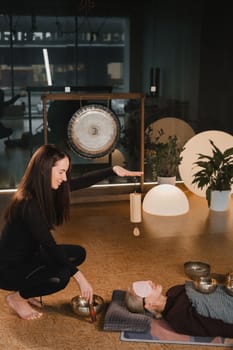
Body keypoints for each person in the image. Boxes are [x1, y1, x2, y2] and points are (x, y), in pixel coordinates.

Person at [0, 144, 143, 320]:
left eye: (66, 172)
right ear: (44, 170)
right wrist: (81, 278)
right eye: (61, 172)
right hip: (9, 270)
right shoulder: (28, 203)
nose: (64, 178)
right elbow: (49, 245)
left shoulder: (46, 190)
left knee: (77, 254)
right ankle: (17, 297)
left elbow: (80, 182)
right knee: (61, 277)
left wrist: (113, 170)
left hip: (31, 256)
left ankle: (29, 289)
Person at [125, 280, 233, 337]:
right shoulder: (178, 318)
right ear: (149, 305)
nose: (150, 283)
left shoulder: (174, 290)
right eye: (145, 289)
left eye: (145, 283)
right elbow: (216, 326)